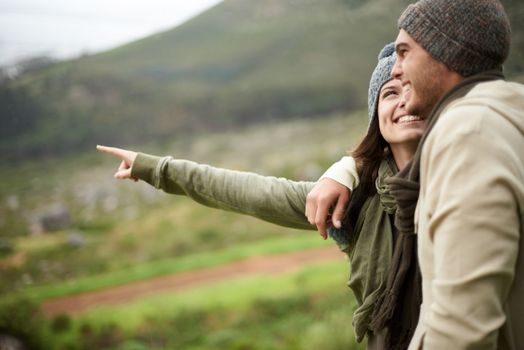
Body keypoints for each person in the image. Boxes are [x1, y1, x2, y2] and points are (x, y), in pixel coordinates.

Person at [97, 42, 426, 349]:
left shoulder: (465, 179)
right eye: (390, 93)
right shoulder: (353, 200)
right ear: (375, 119)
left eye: (413, 89)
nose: (403, 102)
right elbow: (248, 192)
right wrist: (155, 168)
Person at [307, 0, 524, 349]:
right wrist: (350, 166)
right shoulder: (508, 114)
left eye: (405, 53)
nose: (395, 69)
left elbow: (463, 325)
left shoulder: (468, 132)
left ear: (446, 52)